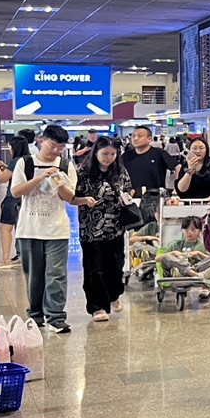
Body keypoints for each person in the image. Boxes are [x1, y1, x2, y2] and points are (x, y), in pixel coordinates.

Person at [11, 124, 76, 334]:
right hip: (29, 229)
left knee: (56, 274)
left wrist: (59, 182)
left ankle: (56, 317)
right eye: (52, 145)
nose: (55, 151)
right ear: (41, 140)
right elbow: (16, 192)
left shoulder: (65, 165)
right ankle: (36, 314)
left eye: (60, 148)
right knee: (34, 275)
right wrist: (40, 177)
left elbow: (69, 197)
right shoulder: (25, 163)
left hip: (57, 229)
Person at [73, 136, 132, 322]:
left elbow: (129, 189)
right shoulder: (83, 172)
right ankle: (97, 307)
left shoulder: (120, 170)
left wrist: (126, 198)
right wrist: (84, 200)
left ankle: (113, 295)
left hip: (116, 228)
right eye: (105, 153)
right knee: (94, 269)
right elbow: (72, 197)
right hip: (91, 230)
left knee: (115, 266)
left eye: (112, 154)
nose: (109, 158)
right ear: (96, 152)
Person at [123, 125, 180, 232]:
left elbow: (178, 167)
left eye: (139, 136)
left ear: (149, 139)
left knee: (155, 230)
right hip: (134, 199)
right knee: (134, 233)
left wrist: (176, 190)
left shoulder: (159, 153)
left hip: (155, 198)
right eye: (133, 136)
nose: (135, 138)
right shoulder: (126, 156)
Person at [0, 131, 35, 269]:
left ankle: (6, 260)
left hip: (12, 198)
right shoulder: (29, 159)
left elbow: (2, 178)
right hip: (25, 198)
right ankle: (22, 256)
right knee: (21, 228)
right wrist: (5, 166)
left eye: (10, 146)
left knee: (5, 228)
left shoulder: (16, 161)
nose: (9, 149)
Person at [157, 217, 210, 302]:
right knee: (167, 257)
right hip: (178, 270)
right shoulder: (175, 245)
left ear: (200, 231)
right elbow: (158, 258)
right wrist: (173, 253)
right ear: (182, 230)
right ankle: (196, 275)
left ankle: (194, 274)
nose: (189, 232)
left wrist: (198, 253)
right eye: (186, 229)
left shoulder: (203, 245)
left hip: (196, 268)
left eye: (193, 229)